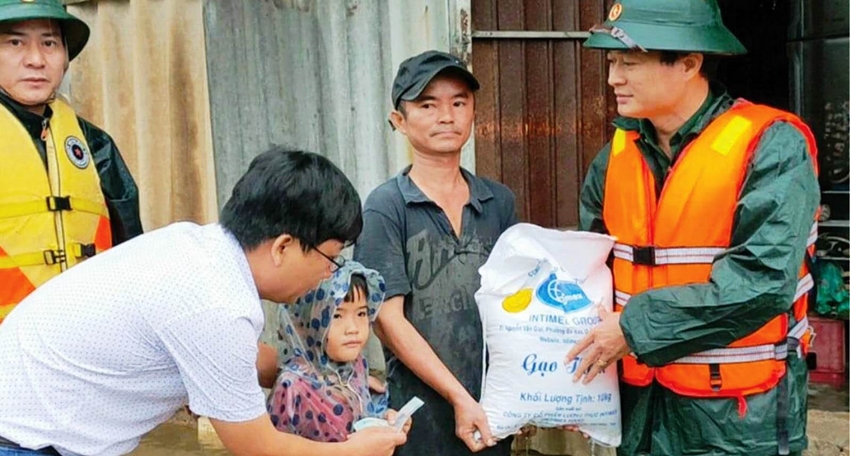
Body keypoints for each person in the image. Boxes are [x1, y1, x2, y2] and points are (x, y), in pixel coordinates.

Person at [0, 149, 407, 456]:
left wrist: (326, 379)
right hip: (25, 442)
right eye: (329, 257)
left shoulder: (200, 249)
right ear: (283, 247)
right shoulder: (217, 305)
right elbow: (257, 446)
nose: (329, 273)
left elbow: (241, 357)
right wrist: (356, 449)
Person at [565, 1, 820, 455]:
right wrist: (576, 390)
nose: (613, 79)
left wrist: (634, 328)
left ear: (688, 64)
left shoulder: (771, 145)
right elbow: (593, 276)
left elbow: (763, 281)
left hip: (739, 422)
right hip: (640, 411)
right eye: (611, 62)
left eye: (629, 63)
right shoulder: (617, 156)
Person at [354, 50, 518, 455]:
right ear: (399, 120)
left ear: (474, 111)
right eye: (428, 105)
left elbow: (518, 306)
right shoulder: (387, 207)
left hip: (492, 410)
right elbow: (387, 320)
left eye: (459, 103)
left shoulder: (497, 202)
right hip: (418, 420)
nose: (447, 116)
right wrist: (459, 397)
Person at [0, 0, 142, 322]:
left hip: (85, 339)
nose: (36, 60)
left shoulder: (95, 145)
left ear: (65, 56)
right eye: (15, 42)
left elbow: (132, 257)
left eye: (49, 43)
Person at [269, 261, 412, 441]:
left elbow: (360, 418)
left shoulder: (355, 366)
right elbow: (272, 447)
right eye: (336, 315)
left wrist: (385, 421)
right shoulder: (293, 386)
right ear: (306, 321)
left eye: (361, 313)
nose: (353, 328)